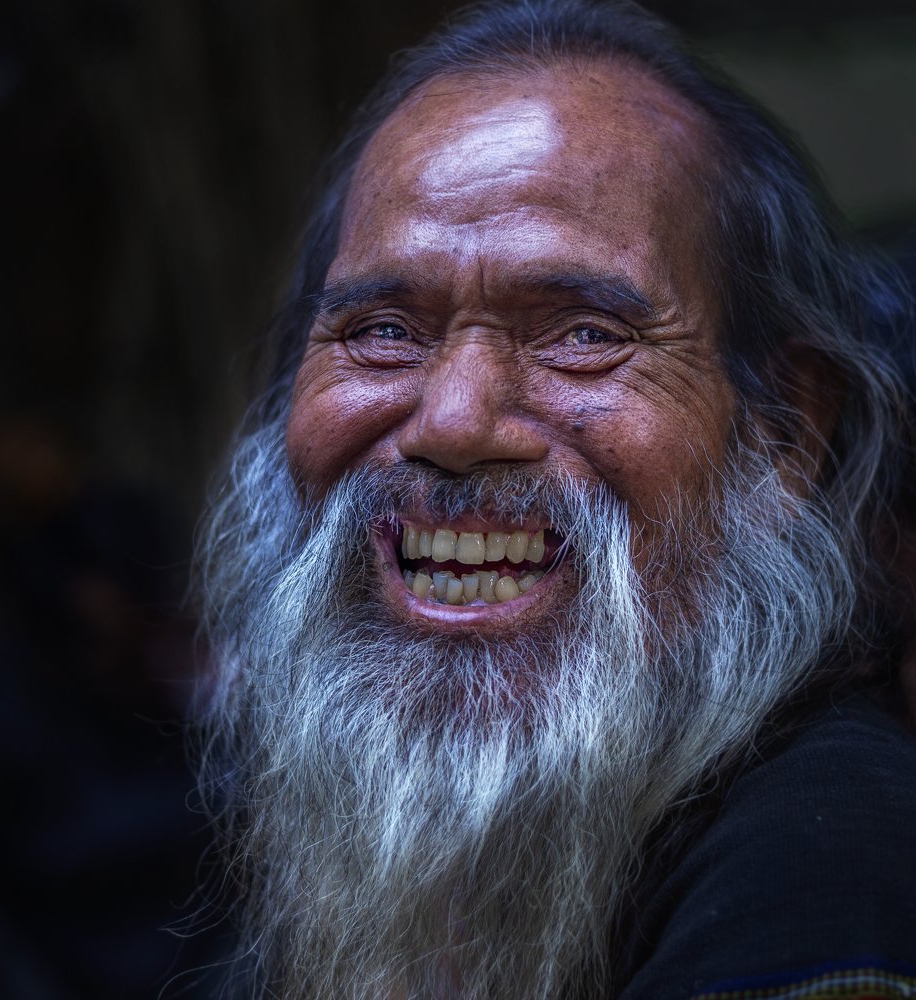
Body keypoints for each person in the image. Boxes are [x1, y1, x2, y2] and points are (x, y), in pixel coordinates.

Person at [196, 1, 916, 997]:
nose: (452, 422)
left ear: (780, 432)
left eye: (581, 333)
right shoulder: (345, 846)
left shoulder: (821, 862)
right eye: (382, 330)